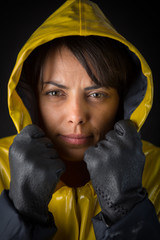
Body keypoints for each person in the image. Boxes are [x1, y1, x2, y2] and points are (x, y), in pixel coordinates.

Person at [0, 0, 160, 239]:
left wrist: (127, 212)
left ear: (122, 99)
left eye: (97, 94)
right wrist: (21, 214)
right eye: (55, 93)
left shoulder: (156, 169)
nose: (76, 116)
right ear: (32, 98)